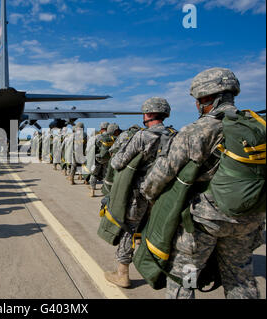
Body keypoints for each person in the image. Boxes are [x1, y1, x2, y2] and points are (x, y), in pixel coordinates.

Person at [140, 68, 266, 299]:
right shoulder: (255, 126)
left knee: (184, 279)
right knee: (240, 278)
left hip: (203, 224)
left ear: (207, 98)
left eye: (199, 100)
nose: (198, 105)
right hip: (249, 221)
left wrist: (148, 195)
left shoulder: (197, 131)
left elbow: (159, 177)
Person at [104, 97, 174, 288]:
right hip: (165, 195)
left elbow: (117, 162)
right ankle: (156, 269)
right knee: (158, 231)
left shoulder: (143, 136)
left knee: (129, 229)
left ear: (149, 114)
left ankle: (122, 274)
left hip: (139, 194)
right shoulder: (174, 136)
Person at [89, 123, 121, 197]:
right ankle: (105, 189)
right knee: (106, 175)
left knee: (94, 174)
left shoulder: (99, 136)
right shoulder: (115, 137)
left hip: (99, 158)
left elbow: (94, 146)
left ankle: (92, 190)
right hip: (108, 159)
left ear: (102, 128)